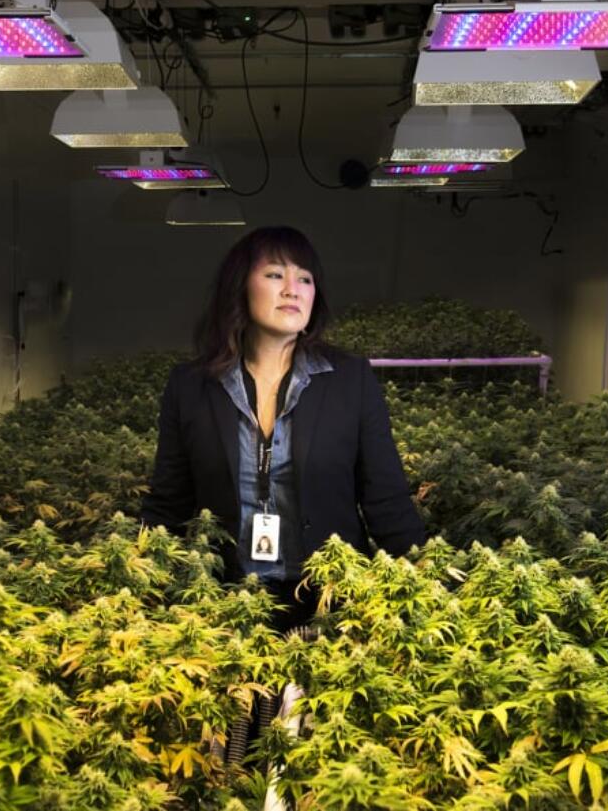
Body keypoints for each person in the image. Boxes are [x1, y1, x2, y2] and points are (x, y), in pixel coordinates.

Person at [141, 226, 425, 631]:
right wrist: (143, 592)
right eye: (275, 274)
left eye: (305, 279)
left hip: (331, 600)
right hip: (225, 601)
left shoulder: (350, 380)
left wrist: (425, 581)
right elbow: (168, 502)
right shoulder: (190, 386)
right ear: (240, 287)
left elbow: (387, 499)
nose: (292, 289)